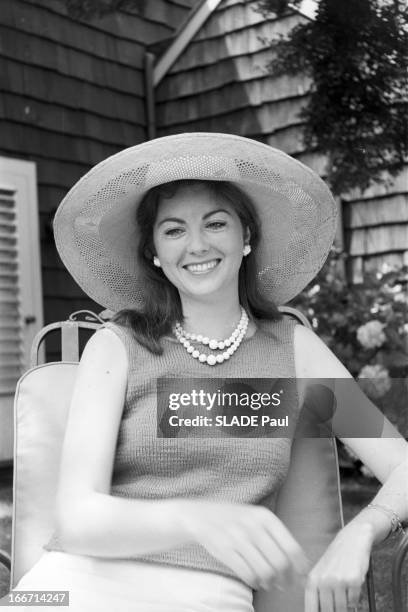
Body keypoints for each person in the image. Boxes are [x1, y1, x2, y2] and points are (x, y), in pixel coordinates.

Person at [8, 133, 408, 612]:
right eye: (173, 230)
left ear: (247, 237)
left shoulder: (294, 350)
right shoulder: (117, 346)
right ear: (154, 252)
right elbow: (77, 517)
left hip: (204, 595)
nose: (196, 245)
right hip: (69, 584)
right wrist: (198, 520)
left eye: (215, 223)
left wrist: (361, 531)